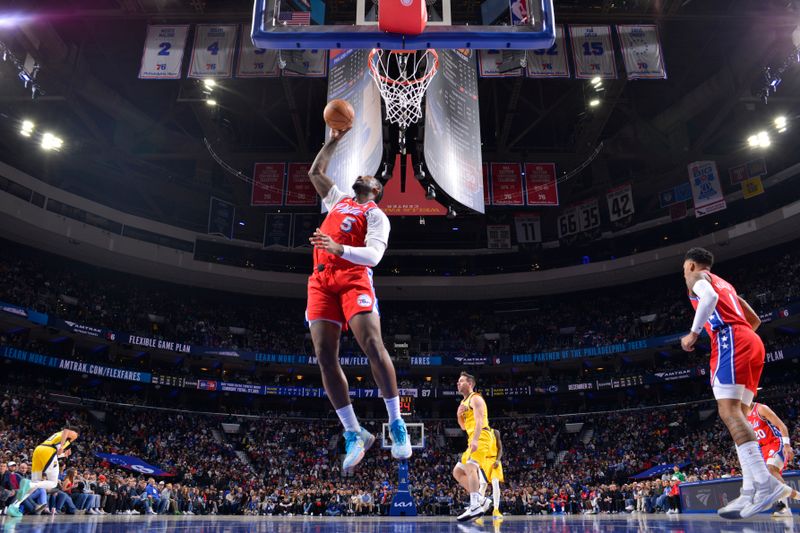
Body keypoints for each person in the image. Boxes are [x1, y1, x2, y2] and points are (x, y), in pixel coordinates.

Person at [305, 125, 411, 471]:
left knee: (372, 344)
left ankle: (396, 424)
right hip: (322, 280)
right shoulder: (338, 200)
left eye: (370, 176)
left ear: (376, 189)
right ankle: (354, 432)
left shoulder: (376, 215)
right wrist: (333, 141)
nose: (363, 176)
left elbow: (374, 257)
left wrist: (338, 247)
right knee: (323, 354)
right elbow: (315, 172)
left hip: (354, 279)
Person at [680, 247, 791, 519]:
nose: (684, 274)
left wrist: (693, 334)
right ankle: (749, 490)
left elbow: (709, 298)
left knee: (728, 411)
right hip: (751, 341)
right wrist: (740, 335)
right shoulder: (727, 284)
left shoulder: (699, 280)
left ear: (692, 265)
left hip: (730, 340)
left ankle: (765, 485)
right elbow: (753, 320)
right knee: (739, 414)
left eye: (684, 269)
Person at [6, 426, 79, 517]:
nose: (76, 438)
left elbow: (53, 454)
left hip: (39, 450)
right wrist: (62, 447)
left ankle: (14, 506)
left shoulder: (57, 435)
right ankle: (30, 484)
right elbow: (66, 430)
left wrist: (63, 454)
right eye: (77, 435)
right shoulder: (69, 434)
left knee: (33, 486)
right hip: (48, 451)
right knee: (53, 483)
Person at [744, 401, 798, 517]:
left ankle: (784, 506)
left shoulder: (761, 408)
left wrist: (787, 445)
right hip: (762, 448)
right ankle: (784, 507)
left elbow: (781, 426)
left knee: (771, 469)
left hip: (775, 442)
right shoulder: (742, 416)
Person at [453, 371, 493, 521]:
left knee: (470, 466)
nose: (458, 383)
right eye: (458, 381)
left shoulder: (476, 399)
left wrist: (475, 440)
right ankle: (481, 500)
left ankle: (475, 505)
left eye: (461, 381)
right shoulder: (463, 403)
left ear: (469, 384)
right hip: (472, 438)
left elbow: (479, 421)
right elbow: (463, 427)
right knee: (457, 472)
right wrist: (458, 415)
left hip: (481, 435)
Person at [482, 428, 505, 520]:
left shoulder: (495, 432)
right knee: (483, 485)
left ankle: (496, 509)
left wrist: (498, 460)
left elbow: (500, 449)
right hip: (483, 461)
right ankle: (479, 509)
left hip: (494, 460)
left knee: (495, 483)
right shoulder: (478, 433)